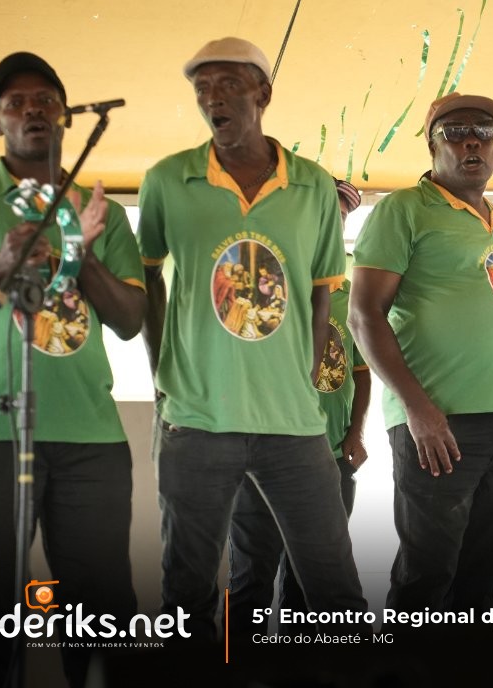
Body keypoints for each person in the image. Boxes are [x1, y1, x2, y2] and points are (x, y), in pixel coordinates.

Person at [138, 37, 366, 641]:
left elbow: (321, 294)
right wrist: (162, 375)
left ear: (262, 93)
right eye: (203, 88)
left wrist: (304, 379)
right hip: (195, 421)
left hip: (294, 424)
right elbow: (147, 277)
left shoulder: (312, 186)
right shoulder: (167, 179)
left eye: (229, 85)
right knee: (187, 595)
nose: (213, 98)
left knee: (336, 592)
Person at [0, 52, 142, 688]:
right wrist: (0, 264)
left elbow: (130, 319)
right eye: (16, 102)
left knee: (105, 614)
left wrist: (82, 251)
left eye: (46, 100)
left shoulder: (100, 209)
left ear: (66, 115)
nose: (33, 110)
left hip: (91, 436)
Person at [348, 92, 493, 611]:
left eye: (483, 131)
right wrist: (418, 409)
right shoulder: (403, 210)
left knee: (481, 582)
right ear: (431, 146)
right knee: (427, 580)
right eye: (455, 133)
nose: (472, 142)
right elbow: (364, 315)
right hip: (440, 424)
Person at [226, 178, 370, 636]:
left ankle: (302, 667)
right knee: (250, 579)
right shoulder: (264, 284)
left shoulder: (351, 296)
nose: (332, 224)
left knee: (311, 588)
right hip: (261, 458)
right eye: (323, 213)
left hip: (330, 459)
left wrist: (356, 432)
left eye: (340, 217)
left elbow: (361, 371)